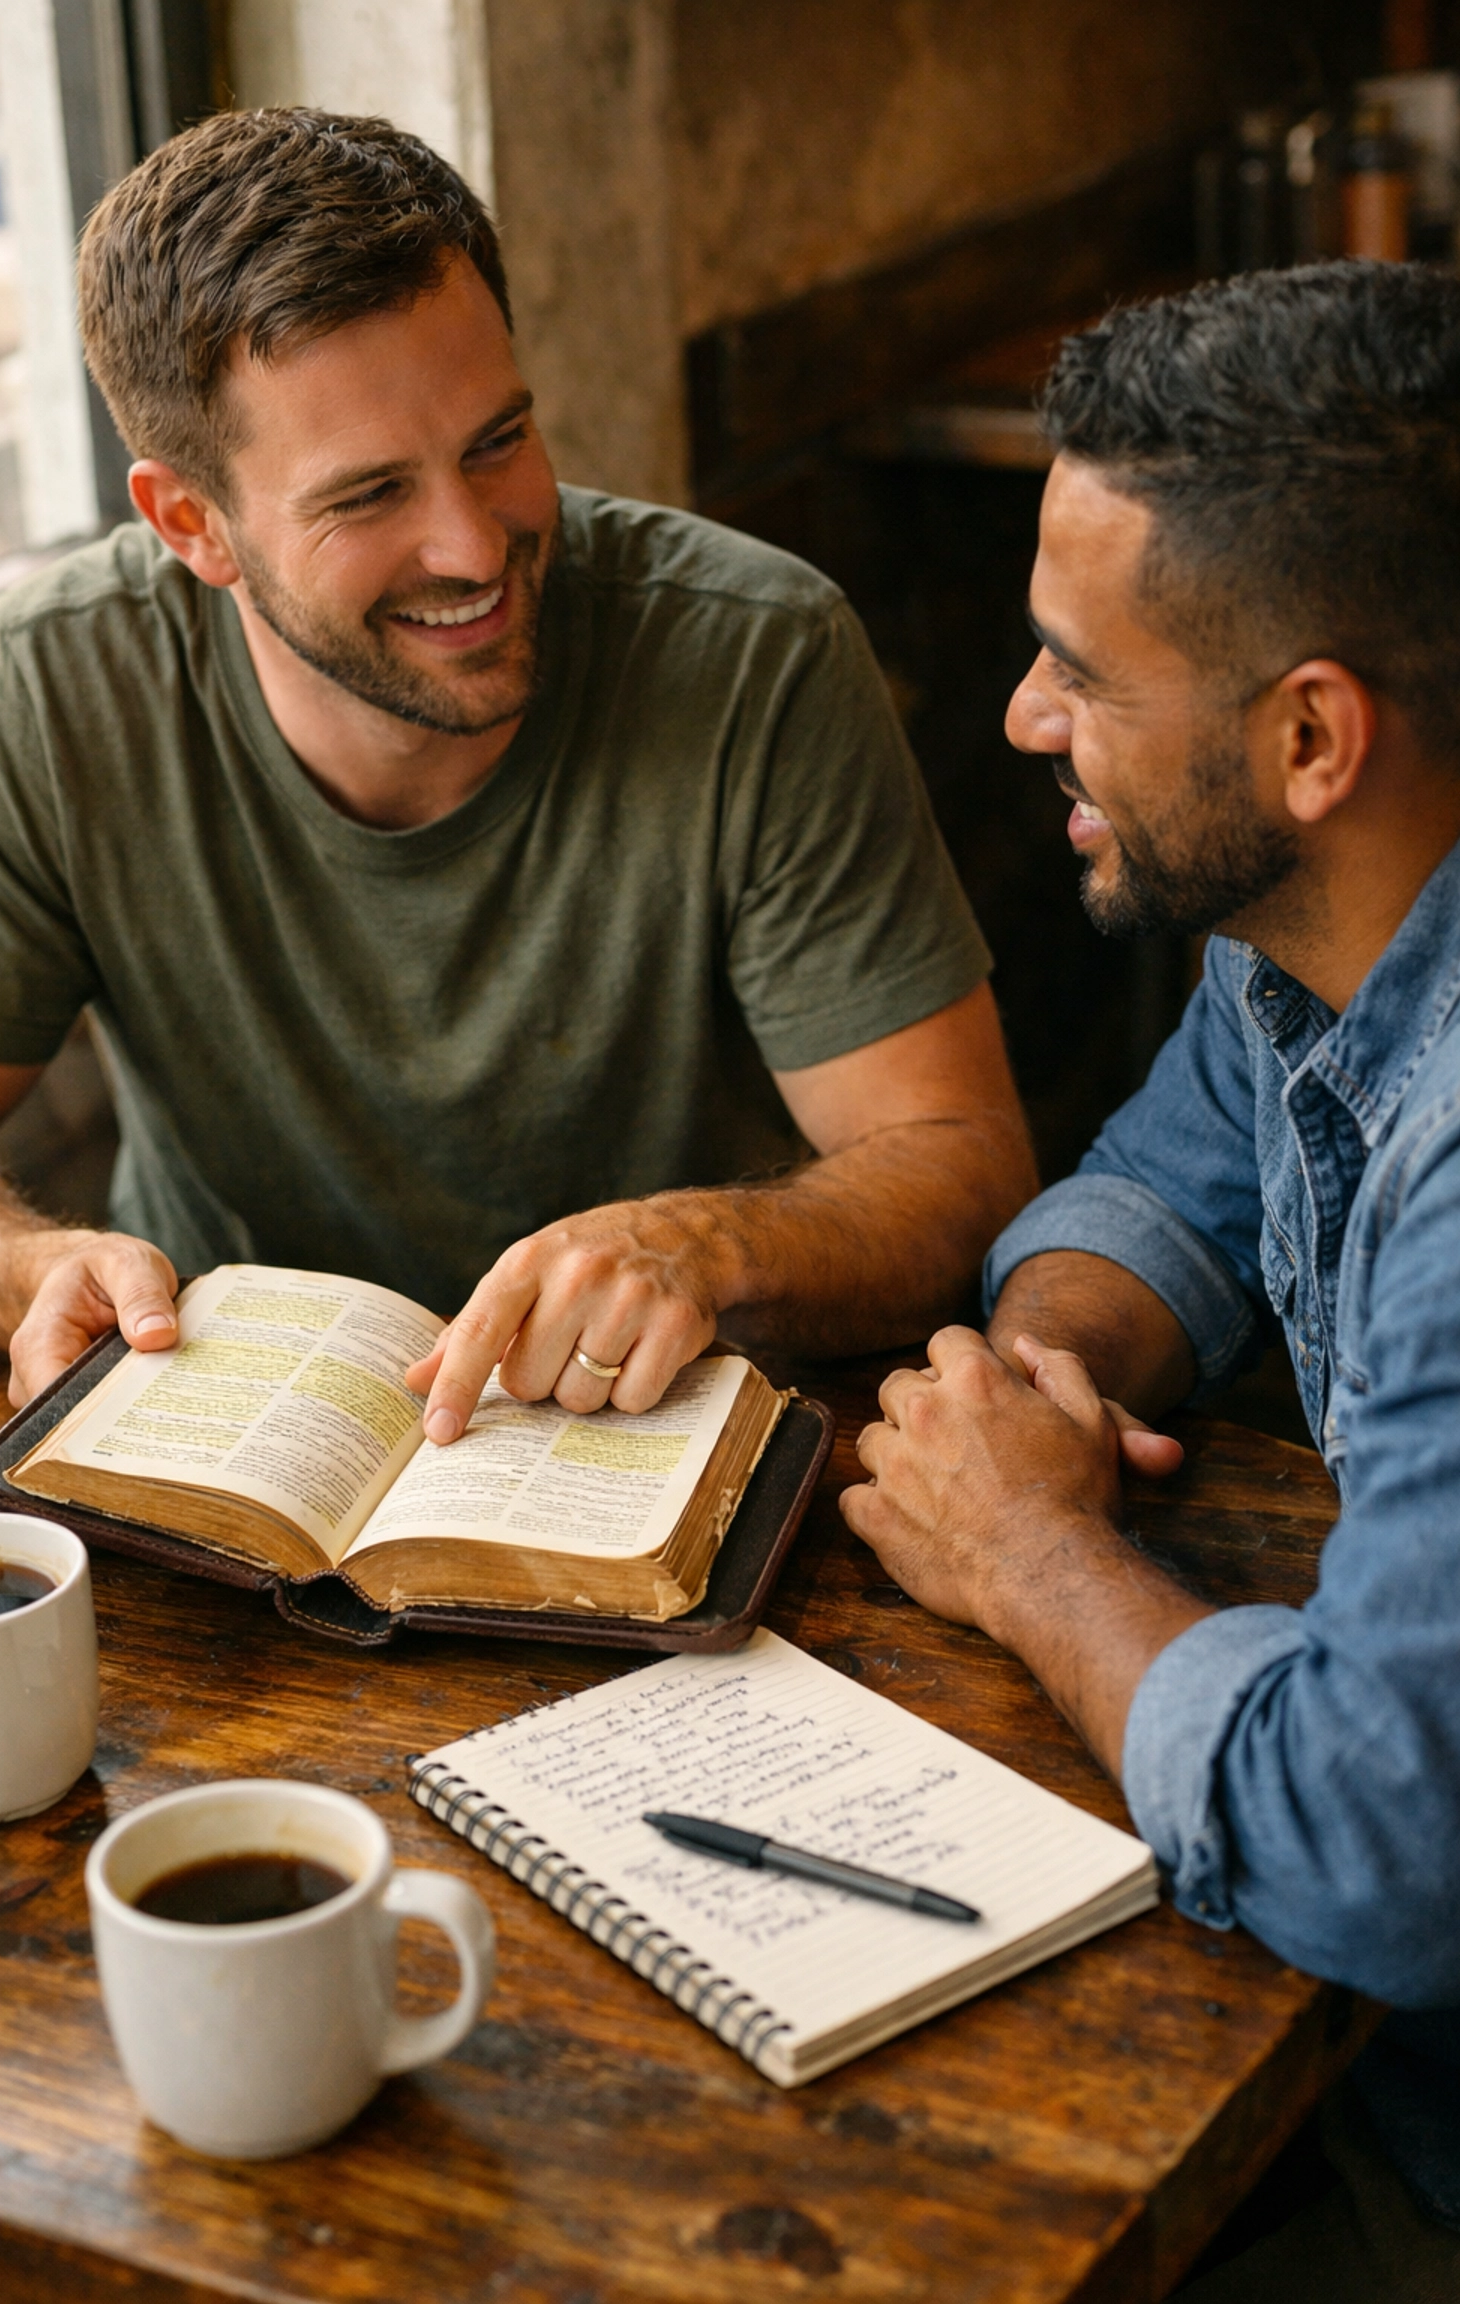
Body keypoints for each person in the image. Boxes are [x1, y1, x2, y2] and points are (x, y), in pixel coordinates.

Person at [0, 107, 1034, 1438]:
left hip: (655, 1456)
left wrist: (706, 1245)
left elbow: (968, 1168)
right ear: (190, 524)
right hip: (232, 1460)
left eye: (498, 441)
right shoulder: (52, 688)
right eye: (369, 496)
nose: (475, 545)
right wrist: (25, 1271)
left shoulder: (756, 653)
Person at [840, 262, 1460, 2301]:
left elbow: (1385, 1851)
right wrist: (1053, 1367)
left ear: (1309, 735)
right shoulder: (1321, 916)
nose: (1026, 719)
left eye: (1078, 670)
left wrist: (1033, 1558)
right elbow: (1161, 1180)